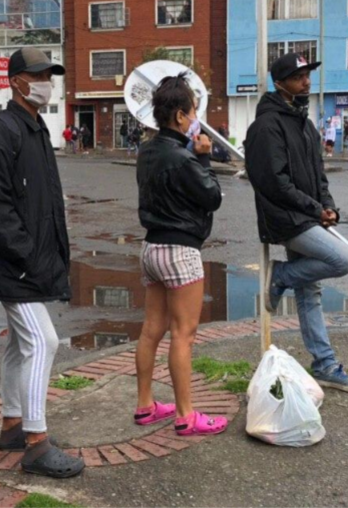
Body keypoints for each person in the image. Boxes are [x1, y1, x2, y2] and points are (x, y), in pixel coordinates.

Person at [0, 47, 84, 477]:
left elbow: (45, 202)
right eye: (37, 75)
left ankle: (12, 424)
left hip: (27, 260)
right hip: (13, 262)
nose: (46, 83)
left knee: (20, 344)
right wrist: (28, 256)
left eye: (49, 75)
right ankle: (36, 443)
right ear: (16, 81)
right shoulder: (2, 130)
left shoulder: (36, 127)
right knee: (43, 341)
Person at [244, 53, 348, 393]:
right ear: (280, 83)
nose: (306, 82)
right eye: (299, 77)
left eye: (308, 75)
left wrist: (328, 206)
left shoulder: (304, 123)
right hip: (285, 219)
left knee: (310, 291)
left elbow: (318, 175)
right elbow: (274, 183)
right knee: (342, 259)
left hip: (308, 215)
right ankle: (279, 275)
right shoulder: (267, 126)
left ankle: (324, 363)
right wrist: (314, 209)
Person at [134, 73, 227, 436]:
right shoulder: (185, 159)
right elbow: (212, 197)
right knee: (183, 335)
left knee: (150, 332)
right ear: (180, 116)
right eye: (193, 111)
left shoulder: (148, 152)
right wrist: (204, 159)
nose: (195, 118)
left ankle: (145, 405)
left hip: (151, 247)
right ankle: (186, 415)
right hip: (180, 251)